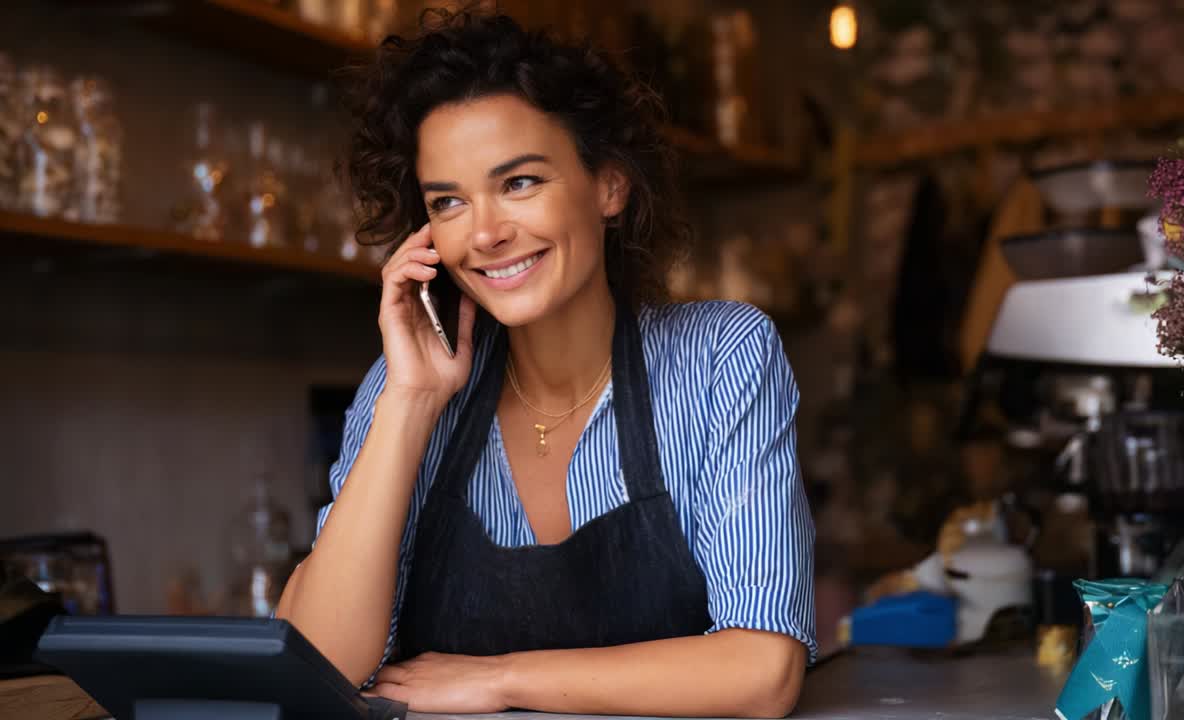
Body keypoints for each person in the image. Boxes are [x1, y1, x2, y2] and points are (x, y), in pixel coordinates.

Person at [275, 9, 815, 717]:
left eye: (520, 183)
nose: (487, 233)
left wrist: (502, 679)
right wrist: (409, 404)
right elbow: (315, 666)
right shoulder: (407, 387)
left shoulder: (719, 359)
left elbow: (762, 669)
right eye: (449, 202)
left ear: (609, 186)